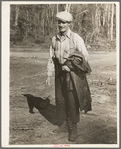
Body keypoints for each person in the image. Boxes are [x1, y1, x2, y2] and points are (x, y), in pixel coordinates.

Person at [46, 11, 92, 142]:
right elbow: (51, 58)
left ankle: (74, 129)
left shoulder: (75, 38)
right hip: (59, 73)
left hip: (72, 75)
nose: (61, 25)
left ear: (69, 23)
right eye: (59, 22)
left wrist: (71, 66)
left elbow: (84, 57)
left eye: (64, 22)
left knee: (72, 102)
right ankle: (65, 125)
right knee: (61, 101)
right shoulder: (54, 39)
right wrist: (49, 74)